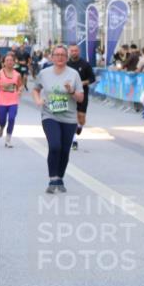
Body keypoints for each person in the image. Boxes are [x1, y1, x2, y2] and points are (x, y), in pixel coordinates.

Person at [32, 45, 84, 194]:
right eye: (57, 55)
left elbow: (81, 98)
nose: (60, 57)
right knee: (55, 146)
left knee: (65, 150)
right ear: (52, 57)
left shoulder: (73, 74)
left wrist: (72, 91)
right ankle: (52, 178)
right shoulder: (44, 73)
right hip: (50, 115)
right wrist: (38, 100)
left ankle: (59, 177)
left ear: (66, 58)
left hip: (69, 117)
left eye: (63, 55)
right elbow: (35, 89)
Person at [66, 44, 96, 152]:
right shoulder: (66, 64)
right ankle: (74, 141)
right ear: (69, 51)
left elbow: (92, 78)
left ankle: (80, 126)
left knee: (81, 117)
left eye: (76, 50)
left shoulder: (85, 64)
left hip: (82, 93)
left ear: (78, 51)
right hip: (70, 95)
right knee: (72, 117)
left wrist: (82, 82)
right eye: (72, 51)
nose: (74, 52)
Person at [0, 52, 22, 148]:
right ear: (4, 62)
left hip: (13, 101)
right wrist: (2, 85)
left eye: (11, 60)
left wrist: (19, 90)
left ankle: (8, 140)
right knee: (2, 120)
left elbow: (20, 86)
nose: (9, 62)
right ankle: (1, 127)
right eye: (7, 60)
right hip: (2, 101)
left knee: (12, 119)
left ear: (14, 62)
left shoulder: (17, 75)